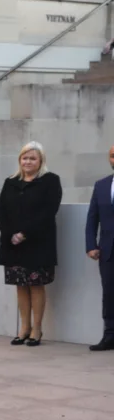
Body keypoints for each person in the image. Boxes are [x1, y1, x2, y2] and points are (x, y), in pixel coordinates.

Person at [0, 142, 62, 347]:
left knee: (35, 285)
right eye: (25, 158)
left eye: (32, 158)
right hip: (13, 244)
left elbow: (48, 211)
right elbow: (1, 210)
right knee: (20, 286)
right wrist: (10, 234)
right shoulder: (11, 182)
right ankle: (23, 328)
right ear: (19, 160)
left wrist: (25, 233)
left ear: (41, 161)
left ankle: (37, 329)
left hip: (38, 243)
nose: (28, 162)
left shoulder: (50, 181)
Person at [85, 144, 114, 351]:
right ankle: (110, 336)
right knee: (109, 294)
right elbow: (92, 218)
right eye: (113, 156)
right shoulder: (101, 185)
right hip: (108, 250)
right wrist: (90, 245)